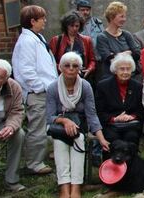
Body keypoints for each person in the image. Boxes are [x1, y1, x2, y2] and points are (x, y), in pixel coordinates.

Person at [46, 52, 109, 198]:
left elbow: (91, 114)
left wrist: (101, 138)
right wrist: (64, 121)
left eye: (75, 66)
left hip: (80, 125)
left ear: (79, 69)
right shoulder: (52, 88)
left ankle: (75, 186)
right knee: (60, 142)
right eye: (67, 65)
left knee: (78, 139)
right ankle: (64, 186)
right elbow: (49, 117)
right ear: (60, 68)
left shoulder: (85, 86)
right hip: (57, 127)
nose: (71, 69)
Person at [12, 5, 56, 175]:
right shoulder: (27, 41)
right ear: (32, 21)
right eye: (42, 18)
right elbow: (26, 70)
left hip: (44, 90)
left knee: (42, 127)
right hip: (37, 93)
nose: (45, 20)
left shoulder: (37, 37)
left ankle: (38, 158)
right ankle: (34, 164)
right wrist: (40, 88)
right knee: (37, 128)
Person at [0, 60, 26, 192]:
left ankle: (11, 180)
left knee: (18, 134)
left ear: (6, 79)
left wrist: (10, 127)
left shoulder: (14, 87)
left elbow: (17, 111)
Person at [95, 53, 144, 150]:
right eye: (122, 69)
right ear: (115, 70)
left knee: (131, 137)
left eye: (128, 69)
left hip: (131, 125)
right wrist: (115, 119)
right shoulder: (103, 86)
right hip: (110, 124)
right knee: (113, 138)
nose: (125, 72)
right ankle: (111, 165)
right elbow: (99, 111)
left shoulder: (138, 87)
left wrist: (131, 116)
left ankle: (131, 165)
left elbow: (142, 110)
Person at [95, 2, 141, 83]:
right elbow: (108, 58)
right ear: (112, 17)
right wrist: (127, 53)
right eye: (121, 16)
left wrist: (116, 54)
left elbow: (137, 53)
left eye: (125, 16)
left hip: (131, 78)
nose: (124, 19)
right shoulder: (102, 37)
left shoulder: (127, 34)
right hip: (110, 79)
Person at [50, 11, 96, 81]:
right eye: (71, 26)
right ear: (66, 26)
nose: (74, 28)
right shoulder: (56, 40)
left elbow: (92, 60)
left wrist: (89, 69)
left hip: (81, 77)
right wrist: (61, 68)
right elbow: (51, 61)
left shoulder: (86, 40)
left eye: (77, 26)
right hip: (62, 77)